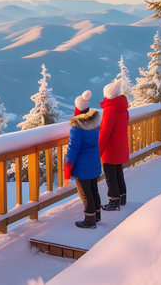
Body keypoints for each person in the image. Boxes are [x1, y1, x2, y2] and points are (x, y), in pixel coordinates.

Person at [63, 90, 102, 229]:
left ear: (77, 109)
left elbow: (73, 149)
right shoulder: (95, 122)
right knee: (94, 190)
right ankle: (97, 216)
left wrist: (67, 167)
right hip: (94, 162)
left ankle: (90, 221)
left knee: (86, 194)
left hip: (82, 166)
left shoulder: (77, 127)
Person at [99, 79, 129, 211]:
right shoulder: (122, 108)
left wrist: (97, 151)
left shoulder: (109, 110)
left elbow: (104, 133)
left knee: (111, 176)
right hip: (120, 146)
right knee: (118, 173)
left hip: (111, 149)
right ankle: (122, 197)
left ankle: (114, 201)